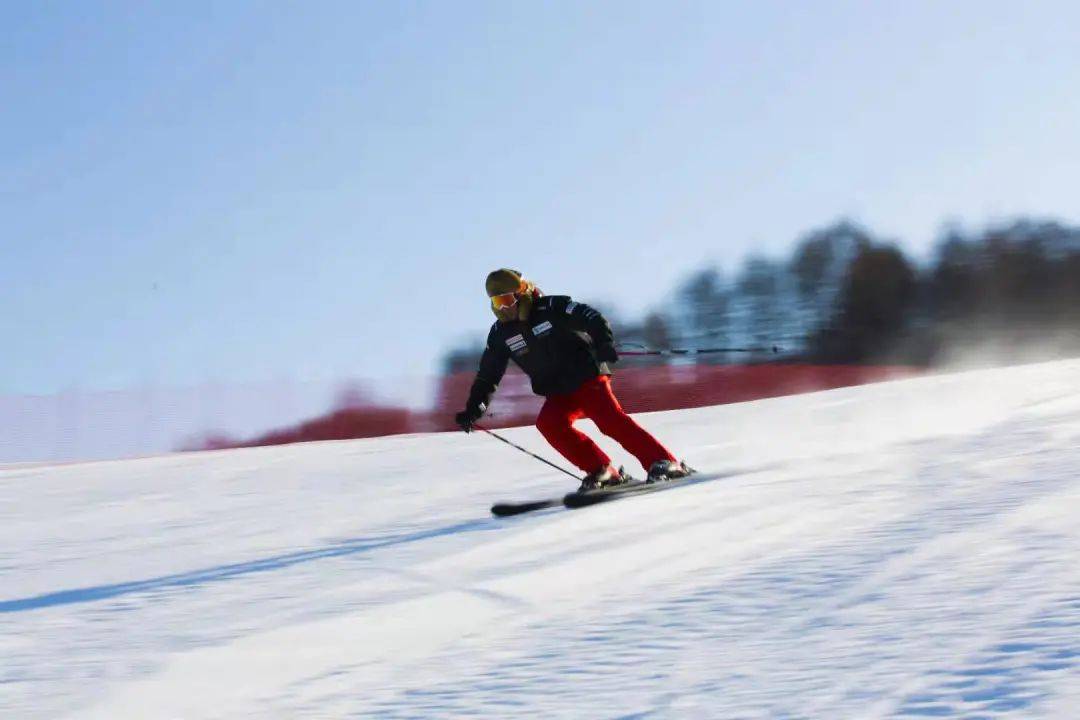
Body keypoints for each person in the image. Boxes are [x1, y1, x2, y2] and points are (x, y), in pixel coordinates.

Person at [455, 268, 691, 491]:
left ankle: (663, 462)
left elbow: (591, 317)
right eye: (497, 303)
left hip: (587, 377)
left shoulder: (550, 308)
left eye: (507, 300)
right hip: (558, 391)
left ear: (522, 293)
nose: (503, 308)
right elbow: (488, 374)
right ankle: (602, 470)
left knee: (608, 420)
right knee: (549, 424)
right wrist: (475, 407)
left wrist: (603, 342)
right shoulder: (501, 334)